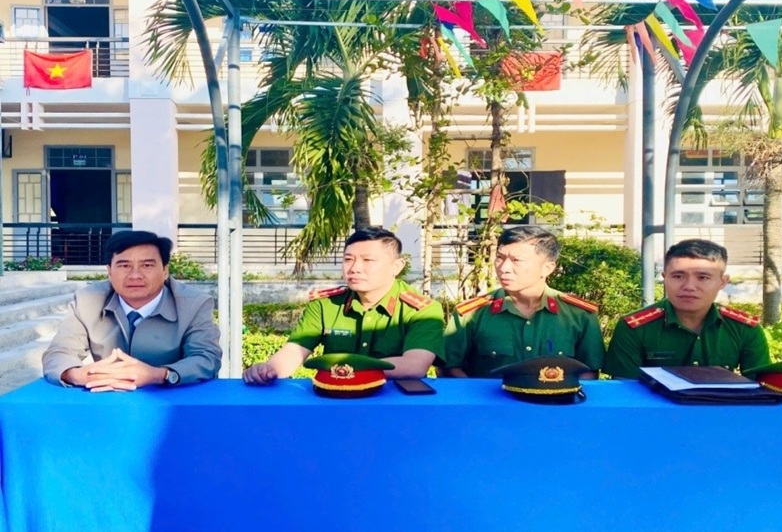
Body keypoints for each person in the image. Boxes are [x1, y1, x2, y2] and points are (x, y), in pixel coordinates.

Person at [243, 227, 444, 384]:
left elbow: (414, 366)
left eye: (368, 260)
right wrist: (268, 370)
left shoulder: (422, 310)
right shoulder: (325, 304)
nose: (355, 268)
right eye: (348, 259)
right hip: (335, 397)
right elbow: (295, 351)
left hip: (393, 399)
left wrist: (343, 369)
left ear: (396, 267)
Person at [42, 230, 222, 391]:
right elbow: (59, 352)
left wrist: (159, 375)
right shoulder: (87, 301)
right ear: (109, 271)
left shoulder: (194, 304)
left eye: (147, 265)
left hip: (172, 400)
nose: (135, 275)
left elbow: (206, 357)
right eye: (124, 265)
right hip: (108, 399)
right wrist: (78, 375)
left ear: (165, 271)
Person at [442, 226, 604, 378]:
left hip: (559, 399)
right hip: (490, 398)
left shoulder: (580, 315)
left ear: (547, 268)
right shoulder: (472, 314)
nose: (504, 268)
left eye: (516, 260)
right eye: (500, 258)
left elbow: (589, 371)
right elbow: (449, 368)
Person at [604, 238, 771, 379]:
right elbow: (624, 391)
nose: (689, 286)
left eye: (703, 277)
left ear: (722, 282)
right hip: (655, 408)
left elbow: (762, 388)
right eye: (678, 276)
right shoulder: (635, 328)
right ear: (665, 278)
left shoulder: (744, 329)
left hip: (722, 407)